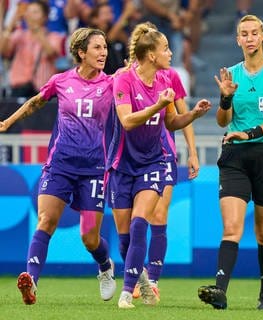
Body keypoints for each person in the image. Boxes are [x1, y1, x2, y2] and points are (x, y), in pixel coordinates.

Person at [0, 27, 116, 305]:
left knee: (90, 238)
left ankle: (105, 267)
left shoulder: (112, 84)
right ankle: (32, 284)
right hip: (60, 165)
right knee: (46, 221)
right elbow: (34, 103)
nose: (103, 53)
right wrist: (6, 122)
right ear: (81, 52)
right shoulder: (61, 81)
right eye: (97, 48)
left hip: (94, 170)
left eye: (105, 47)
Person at [106, 22, 211, 308]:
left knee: (144, 222)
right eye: (165, 48)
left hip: (155, 160)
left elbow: (172, 120)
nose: (170, 52)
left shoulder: (168, 79)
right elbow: (127, 121)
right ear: (150, 54)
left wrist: (193, 116)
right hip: (122, 163)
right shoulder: (124, 79)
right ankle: (138, 276)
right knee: (125, 236)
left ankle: (132, 290)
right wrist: (157, 106)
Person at [198, 14, 263, 311]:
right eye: (244, 33)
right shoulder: (232, 75)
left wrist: (250, 132)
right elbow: (221, 122)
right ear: (238, 39)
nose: (250, 37)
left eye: (255, 33)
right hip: (235, 157)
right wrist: (225, 99)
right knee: (231, 227)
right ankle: (220, 292)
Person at [0, 0, 64, 98]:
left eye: (35, 12)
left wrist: (38, 31)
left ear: (45, 16)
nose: (30, 15)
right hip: (19, 89)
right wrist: (10, 27)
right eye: (28, 12)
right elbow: (3, 51)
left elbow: (52, 53)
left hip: (42, 91)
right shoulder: (19, 35)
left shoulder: (54, 37)